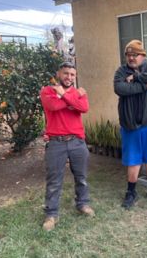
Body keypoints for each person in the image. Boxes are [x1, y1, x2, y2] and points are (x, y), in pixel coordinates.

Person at [40, 61, 95, 231]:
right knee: (54, 181)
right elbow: (52, 106)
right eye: (66, 73)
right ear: (59, 74)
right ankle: (51, 214)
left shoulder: (79, 93)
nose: (69, 77)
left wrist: (64, 95)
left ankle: (82, 204)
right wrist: (72, 98)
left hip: (77, 142)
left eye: (72, 74)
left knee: (82, 177)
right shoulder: (47, 91)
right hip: (56, 143)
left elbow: (83, 107)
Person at [114, 39, 147, 209]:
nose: (131, 58)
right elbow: (121, 89)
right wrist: (145, 86)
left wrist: (136, 77)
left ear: (142, 55)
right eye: (128, 55)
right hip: (130, 125)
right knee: (133, 160)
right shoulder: (121, 71)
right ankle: (131, 192)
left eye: (134, 54)